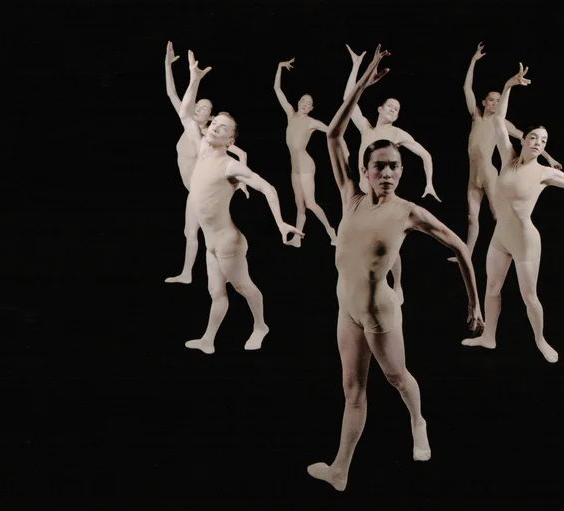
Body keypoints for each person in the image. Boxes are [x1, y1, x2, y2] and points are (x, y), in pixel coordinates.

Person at [307, 45, 485, 492]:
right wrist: (362, 85)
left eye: (393, 167)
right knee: (353, 393)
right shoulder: (350, 194)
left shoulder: (409, 212)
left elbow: (462, 248)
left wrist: (475, 305)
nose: (386, 173)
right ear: (365, 171)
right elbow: (332, 135)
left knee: (396, 378)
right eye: (379, 167)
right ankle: (340, 470)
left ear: (401, 172)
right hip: (346, 310)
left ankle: (418, 421)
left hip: (381, 314)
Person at [461, 63, 564, 364]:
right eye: (533, 137)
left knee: (529, 298)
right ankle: (489, 336)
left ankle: (541, 340)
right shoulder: (507, 159)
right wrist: (507, 86)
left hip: (526, 240)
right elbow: (499, 121)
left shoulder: (545, 173)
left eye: (543, 141)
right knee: (491, 290)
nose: (538, 143)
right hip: (500, 238)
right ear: (524, 139)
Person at [178, 50, 304, 354]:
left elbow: (268, 187)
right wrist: (194, 80)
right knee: (216, 293)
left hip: (227, 242)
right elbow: (185, 114)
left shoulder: (231, 165)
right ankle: (208, 341)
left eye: (224, 128)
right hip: (210, 241)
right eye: (215, 123)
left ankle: (261, 325)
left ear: (231, 142)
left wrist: (281, 223)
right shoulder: (202, 148)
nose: (216, 127)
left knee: (242, 287)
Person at [340, 45, 441, 304]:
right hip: (361, 193)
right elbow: (347, 101)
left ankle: (396, 284)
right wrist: (356, 66)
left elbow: (426, 154)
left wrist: (429, 183)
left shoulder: (398, 134)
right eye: (390, 107)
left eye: (397, 110)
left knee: (388, 241)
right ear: (380, 109)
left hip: (384, 194)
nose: (394, 111)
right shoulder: (366, 128)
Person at [448, 42, 562, 264]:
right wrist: (473, 61)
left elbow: (527, 138)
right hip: (473, 177)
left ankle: (509, 250)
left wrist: (549, 157)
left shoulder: (503, 124)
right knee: (472, 219)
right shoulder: (477, 116)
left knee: (498, 215)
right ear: (484, 102)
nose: (494, 103)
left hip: (490, 175)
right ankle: (466, 256)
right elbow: (466, 89)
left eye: (498, 101)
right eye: (490, 100)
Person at [163, 41, 250, 284]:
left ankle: (211, 275)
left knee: (199, 233)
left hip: (201, 191)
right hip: (192, 189)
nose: (198, 108)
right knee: (192, 233)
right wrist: (167, 65)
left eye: (204, 108)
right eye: (197, 105)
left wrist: (240, 182)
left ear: (211, 116)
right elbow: (172, 94)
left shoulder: (206, 138)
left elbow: (240, 154)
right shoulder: (188, 125)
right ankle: (191, 273)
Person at [273, 57, 338, 247]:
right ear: (298, 102)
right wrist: (279, 67)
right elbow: (277, 90)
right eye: (302, 100)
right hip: (295, 167)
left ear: (311, 108)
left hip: (306, 165)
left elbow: (333, 130)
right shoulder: (290, 115)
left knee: (311, 204)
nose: (304, 103)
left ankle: (331, 233)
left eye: (308, 102)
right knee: (299, 206)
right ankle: (297, 239)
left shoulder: (312, 122)